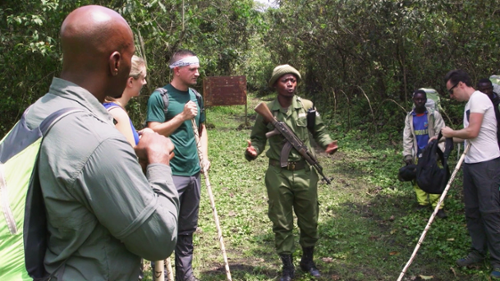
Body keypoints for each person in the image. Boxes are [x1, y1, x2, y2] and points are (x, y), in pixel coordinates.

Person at [22, 5, 179, 280]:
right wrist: (158, 161)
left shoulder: (38, 112)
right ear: (116, 62)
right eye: (130, 59)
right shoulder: (99, 141)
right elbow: (159, 240)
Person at [245, 64, 338, 281]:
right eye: (285, 80)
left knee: (310, 218)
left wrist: (327, 144)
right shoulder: (266, 109)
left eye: (293, 80)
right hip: (279, 173)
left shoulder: (307, 106)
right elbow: (258, 137)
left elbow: (319, 130)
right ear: (276, 84)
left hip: (305, 172)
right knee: (281, 220)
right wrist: (253, 150)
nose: (290, 84)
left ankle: (308, 260)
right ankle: (287, 267)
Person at [146, 49, 209, 281]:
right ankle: (160, 275)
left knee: (187, 230)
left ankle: (186, 275)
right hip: (169, 172)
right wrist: (180, 117)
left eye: (198, 68)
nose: (197, 73)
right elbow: (152, 130)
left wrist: (204, 155)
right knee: (164, 228)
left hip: (193, 172)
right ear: (177, 70)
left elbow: (202, 130)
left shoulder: (197, 97)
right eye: (192, 69)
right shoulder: (160, 97)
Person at [442, 70, 500, 279]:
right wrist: (440, 139)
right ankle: (478, 251)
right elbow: (466, 137)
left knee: (490, 212)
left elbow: (472, 132)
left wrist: (450, 133)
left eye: (450, 91)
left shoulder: (479, 99)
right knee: (472, 211)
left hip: (486, 164)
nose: (451, 96)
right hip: (471, 162)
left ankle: (498, 261)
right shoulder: (470, 104)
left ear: (460, 85)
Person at [402, 89, 447, 218]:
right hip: (418, 153)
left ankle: (438, 207)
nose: (420, 101)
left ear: (426, 100)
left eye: (422, 99)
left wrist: (440, 152)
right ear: (414, 100)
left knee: (434, 178)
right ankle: (422, 203)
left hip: (432, 153)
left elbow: (442, 134)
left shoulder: (434, 115)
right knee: (418, 178)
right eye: (417, 99)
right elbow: (407, 137)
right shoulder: (410, 117)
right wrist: (407, 155)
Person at [104, 55, 147, 146]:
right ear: (130, 81)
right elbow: (130, 159)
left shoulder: (105, 106)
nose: (145, 82)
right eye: (143, 78)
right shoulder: (118, 115)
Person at [477, 78, 500, 148]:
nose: (486, 92)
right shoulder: (477, 103)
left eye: (488, 89)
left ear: (492, 88)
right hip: (486, 139)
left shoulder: (498, 102)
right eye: (483, 90)